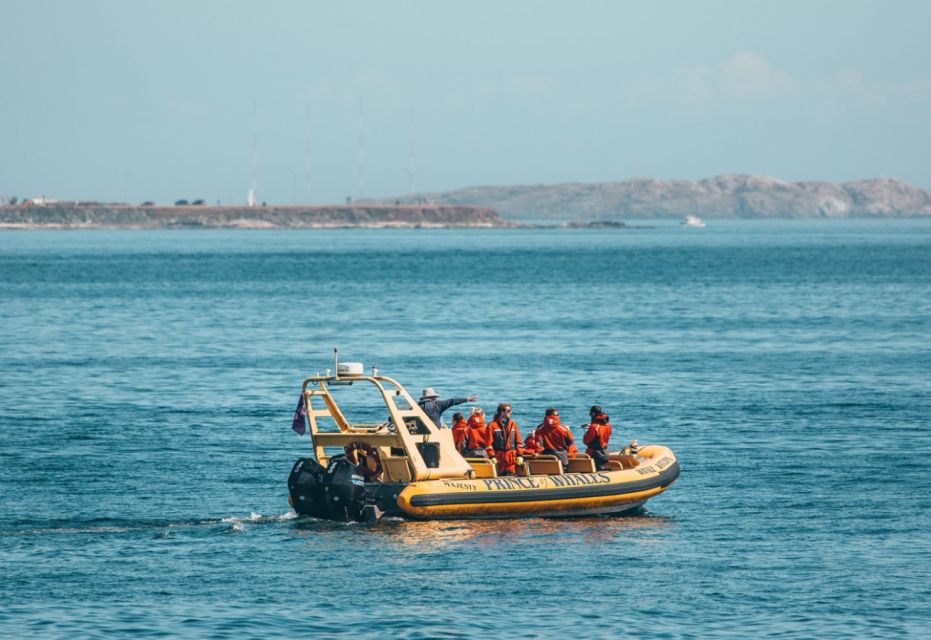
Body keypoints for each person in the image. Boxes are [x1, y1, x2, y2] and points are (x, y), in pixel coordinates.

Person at [489, 403, 523, 476]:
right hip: (499, 458)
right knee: (499, 475)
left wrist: (520, 455)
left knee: (511, 474)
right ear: (502, 412)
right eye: (508, 411)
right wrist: (492, 456)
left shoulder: (513, 424)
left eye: (510, 410)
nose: (510, 412)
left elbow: (519, 442)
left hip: (511, 458)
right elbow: (488, 444)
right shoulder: (492, 425)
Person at [582, 405, 612, 470]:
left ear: (593, 413)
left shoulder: (594, 427)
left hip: (595, 455)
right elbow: (603, 433)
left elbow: (586, 441)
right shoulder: (608, 425)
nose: (589, 415)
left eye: (590, 413)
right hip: (605, 452)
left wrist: (587, 431)